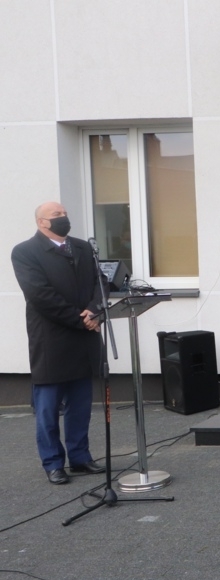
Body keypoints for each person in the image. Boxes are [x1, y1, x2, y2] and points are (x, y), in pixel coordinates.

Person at [11, 202, 105, 484]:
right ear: (41, 222)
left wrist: (95, 309)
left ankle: (80, 457)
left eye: (64, 213)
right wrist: (81, 319)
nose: (64, 218)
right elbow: (40, 295)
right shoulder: (25, 252)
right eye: (56, 215)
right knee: (48, 409)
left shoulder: (83, 248)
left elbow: (100, 282)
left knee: (80, 406)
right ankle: (53, 463)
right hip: (51, 341)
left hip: (84, 340)